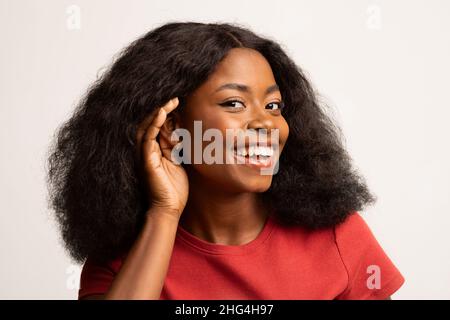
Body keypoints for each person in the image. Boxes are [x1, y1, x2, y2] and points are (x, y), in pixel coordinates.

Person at [47, 22, 404, 300]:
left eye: (273, 106)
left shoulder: (337, 236)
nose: (266, 123)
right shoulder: (125, 259)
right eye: (234, 103)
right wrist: (163, 213)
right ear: (171, 127)